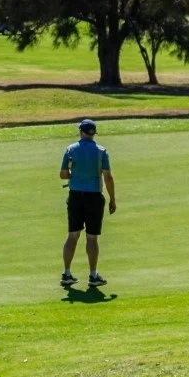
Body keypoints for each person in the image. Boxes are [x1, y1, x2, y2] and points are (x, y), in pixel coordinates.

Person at [61, 118, 116, 289]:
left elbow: (63, 175)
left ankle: (67, 273)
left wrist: (74, 173)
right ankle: (93, 275)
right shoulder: (101, 151)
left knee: (73, 235)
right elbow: (107, 176)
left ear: (81, 132)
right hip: (94, 197)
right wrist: (112, 199)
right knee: (92, 237)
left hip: (76, 196)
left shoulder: (71, 149)